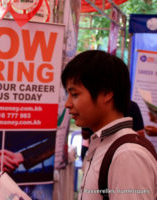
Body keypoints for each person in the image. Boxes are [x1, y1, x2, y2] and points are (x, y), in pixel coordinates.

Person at [61, 50, 157, 200]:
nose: (68, 104)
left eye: (75, 94)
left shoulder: (127, 154)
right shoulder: (103, 143)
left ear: (106, 94)